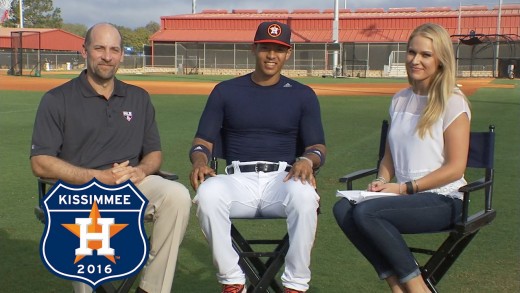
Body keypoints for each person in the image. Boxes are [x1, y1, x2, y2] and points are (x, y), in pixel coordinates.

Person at [30, 23, 191, 293]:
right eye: (100, 48)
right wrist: (97, 177)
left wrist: (141, 171)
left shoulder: (138, 98)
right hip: (79, 190)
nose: (107, 56)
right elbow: (40, 162)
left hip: (130, 184)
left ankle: (151, 289)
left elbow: (154, 153)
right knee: (80, 221)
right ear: (84, 51)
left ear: (121, 55)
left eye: (114, 49)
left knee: (176, 195)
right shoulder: (57, 99)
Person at [333, 22, 471, 293]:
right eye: (411, 52)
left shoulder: (453, 101)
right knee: (343, 209)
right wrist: (381, 179)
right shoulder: (399, 100)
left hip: (445, 198)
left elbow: (456, 168)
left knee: (367, 213)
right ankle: (397, 286)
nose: (415, 60)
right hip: (406, 195)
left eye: (425, 55)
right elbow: (389, 158)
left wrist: (404, 188)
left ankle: (416, 287)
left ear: (441, 59)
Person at [189, 21, 326, 293]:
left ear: (288, 53)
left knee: (305, 196)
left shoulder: (303, 95)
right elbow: (202, 141)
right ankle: (232, 280)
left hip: (283, 178)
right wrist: (200, 161)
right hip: (238, 179)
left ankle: (296, 284)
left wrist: (308, 161)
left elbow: (317, 147)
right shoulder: (226, 91)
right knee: (207, 194)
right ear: (254, 49)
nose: (271, 55)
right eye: (265, 48)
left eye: (279, 49)